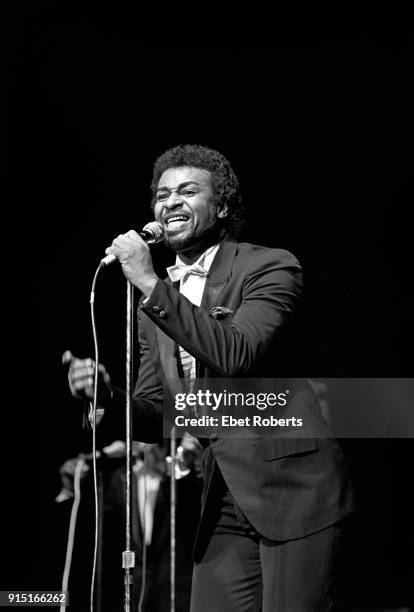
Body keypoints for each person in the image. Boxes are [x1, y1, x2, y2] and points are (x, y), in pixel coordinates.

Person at [68, 144, 355, 611]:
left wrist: (147, 281)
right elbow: (157, 413)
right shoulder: (157, 301)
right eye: (162, 194)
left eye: (187, 191)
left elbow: (236, 353)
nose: (170, 202)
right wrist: (105, 396)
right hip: (221, 494)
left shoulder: (268, 266)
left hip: (293, 488)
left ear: (221, 206)